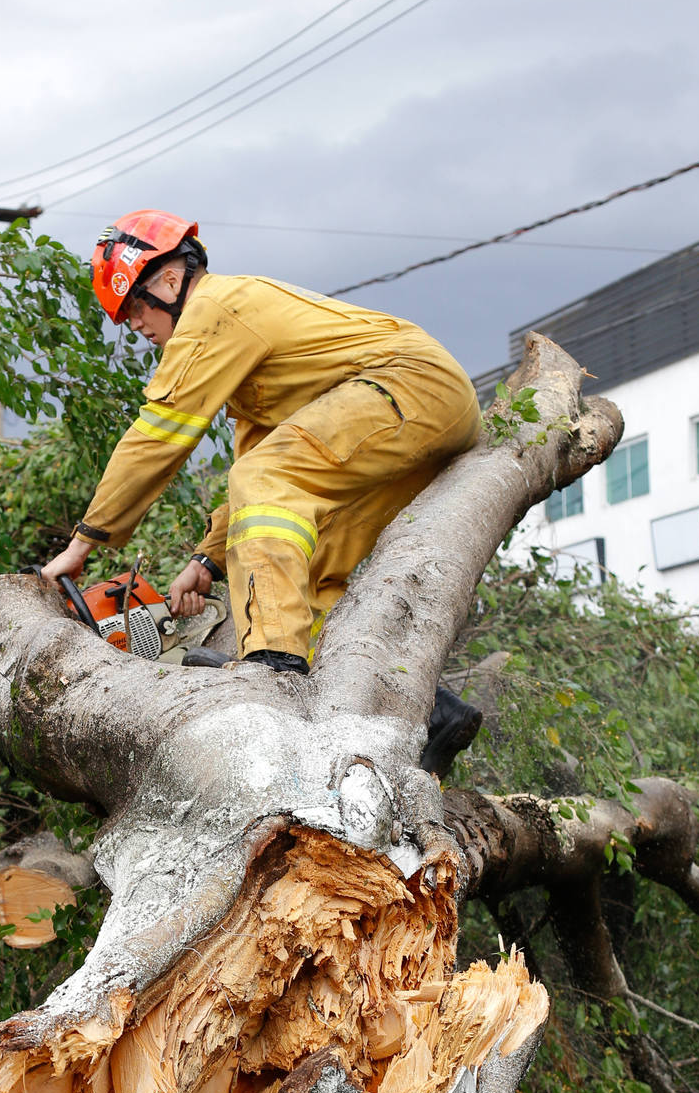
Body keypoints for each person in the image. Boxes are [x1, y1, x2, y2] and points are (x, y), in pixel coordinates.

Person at [41, 210, 484, 759]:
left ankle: (273, 669)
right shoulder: (244, 356)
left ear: (171, 281)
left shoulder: (214, 310)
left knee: (269, 484)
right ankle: (426, 715)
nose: (133, 325)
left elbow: (159, 436)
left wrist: (84, 542)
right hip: (418, 411)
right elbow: (252, 468)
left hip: (408, 387)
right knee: (311, 569)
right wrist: (206, 562)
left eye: (133, 307)